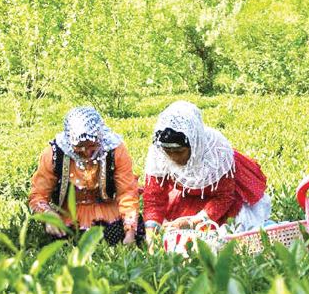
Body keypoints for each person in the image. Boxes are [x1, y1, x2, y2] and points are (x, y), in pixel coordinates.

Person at [143, 101, 270, 243]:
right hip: (187, 195)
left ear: (194, 144)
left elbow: (224, 197)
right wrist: (151, 237)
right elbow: (153, 198)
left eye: (179, 152)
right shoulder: (159, 155)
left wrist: (194, 221)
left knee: (222, 238)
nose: (174, 158)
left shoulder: (217, 155)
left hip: (219, 199)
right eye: (168, 152)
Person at [28, 106, 142, 245]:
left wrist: (130, 231)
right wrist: (48, 215)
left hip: (108, 212)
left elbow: (127, 192)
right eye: (79, 147)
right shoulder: (54, 155)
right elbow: (38, 195)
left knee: (115, 235)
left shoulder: (115, 150)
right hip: (69, 215)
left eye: (92, 146)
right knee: (68, 239)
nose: (87, 152)